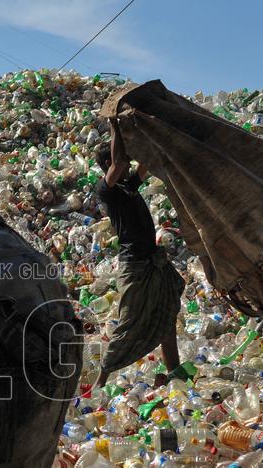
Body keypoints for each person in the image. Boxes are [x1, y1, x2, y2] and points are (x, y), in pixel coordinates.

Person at [93, 116, 185, 388]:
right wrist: (114, 127)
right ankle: (101, 380)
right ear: (108, 165)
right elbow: (118, 162)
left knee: (167, 314)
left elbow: (144, 166)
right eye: (123, 162)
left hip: (152, 261)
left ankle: (175, 371)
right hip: (134, 266)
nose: (129, 165)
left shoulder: (127, 187)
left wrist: (149, 137)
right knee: (129, 323)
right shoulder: (106, 190)